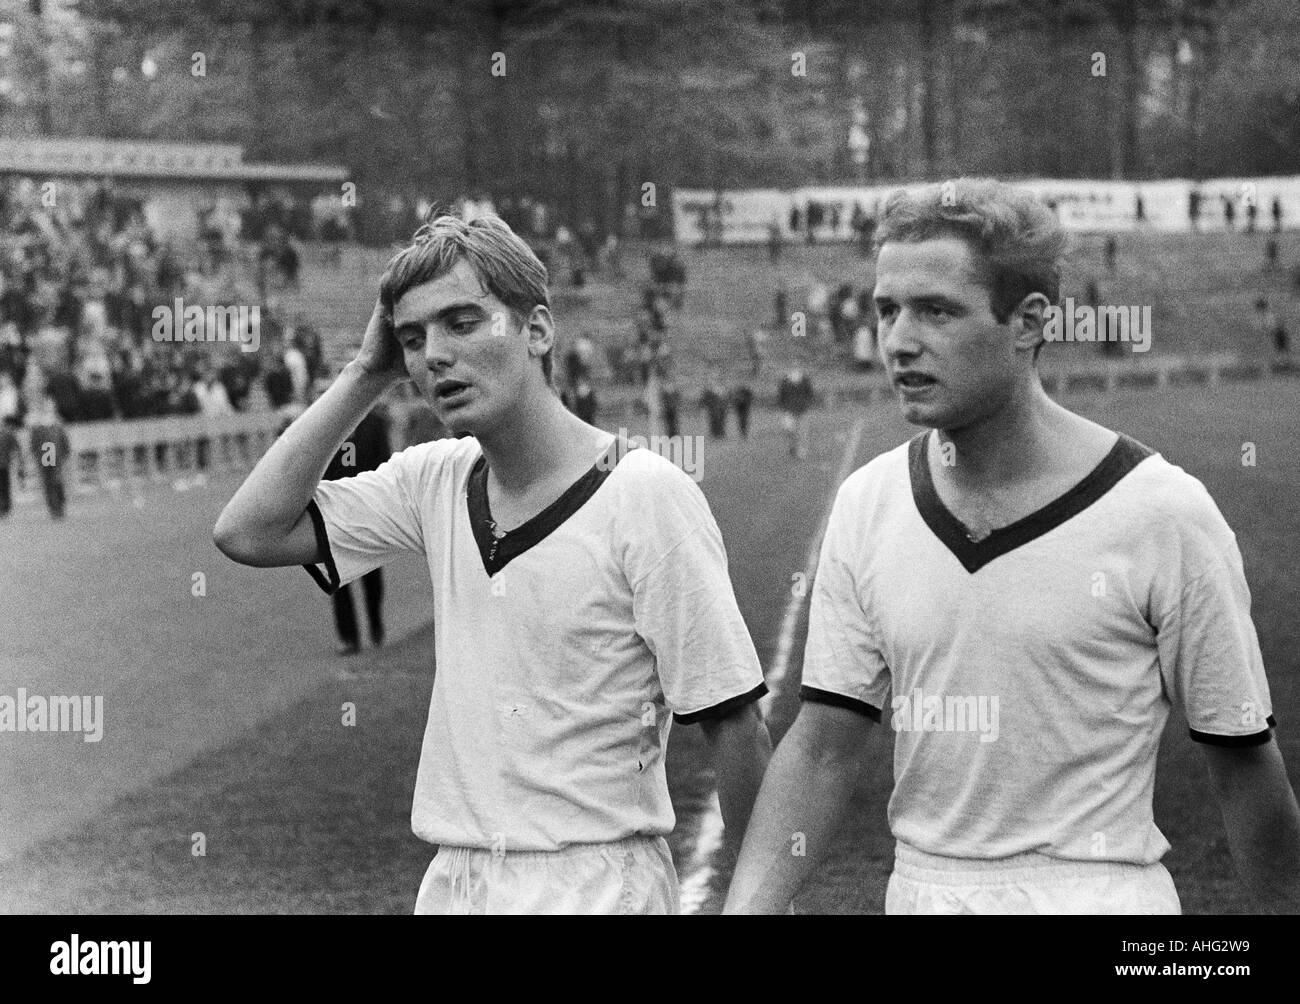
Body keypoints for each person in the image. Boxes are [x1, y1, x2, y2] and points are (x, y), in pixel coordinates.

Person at [725, 177, 1300, 916]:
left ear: (1028, 322)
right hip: (923, 894)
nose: (898, 340)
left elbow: (1245, 771)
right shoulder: (870, 503)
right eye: (887, 309)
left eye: (936, 310)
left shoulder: (1164, 514)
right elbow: (824, 745)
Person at [214, 213, 771, 915]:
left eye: (462, 323)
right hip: (456, 882)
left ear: (536, 330)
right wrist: (365, 374)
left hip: (591, 881)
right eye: (413, 339)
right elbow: (250, 532)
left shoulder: (644, 493)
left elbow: (736, 727)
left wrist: (759, 905)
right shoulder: (435, 478)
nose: (434, 355)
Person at [323, 402, 393, 656]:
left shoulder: (374, 423)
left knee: (371, 577)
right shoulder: (327, 423)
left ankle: (375, 622)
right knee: (338, 577)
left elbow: (385, 463)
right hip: (335, 508)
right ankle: (348, 637)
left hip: (367, 509)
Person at [28, 396, 70, 520]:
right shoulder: (38, 427)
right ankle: (54, 509)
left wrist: (64, 454)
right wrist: (37, 456)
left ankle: (59, 504)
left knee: (57, 481)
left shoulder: (57, 425)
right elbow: (34, 444)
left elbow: (64, 442)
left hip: (56, 455)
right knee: (49, 483)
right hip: (45, 456)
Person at [776, 366, 814, 459]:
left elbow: (809, 393)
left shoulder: (805, 380)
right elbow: (781, 395)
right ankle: (793, 446)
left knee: (802, 431)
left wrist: (806, 403)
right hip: (789, 409)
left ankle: (801, 452)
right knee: (789, 430)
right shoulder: (785, 381)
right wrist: (782, 405)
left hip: (802, 409)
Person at [700, 373, 729, 439]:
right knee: (713, 420)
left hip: (722, 408)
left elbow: (726, 399)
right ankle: (714, 433)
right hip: (713, 408)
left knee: (721, 420)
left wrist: (725, 405)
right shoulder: (710, 389)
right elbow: (705, 399)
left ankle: (721, 433)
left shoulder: (723, 388)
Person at [0, 418, 16, 517]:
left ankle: (4, 507)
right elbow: (15, 448)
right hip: (5, 464)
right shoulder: (8, 434)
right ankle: (4, 507)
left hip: (4, 464)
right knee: (5, 486)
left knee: (4, 486)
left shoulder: (7, 434)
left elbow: (15, 447)